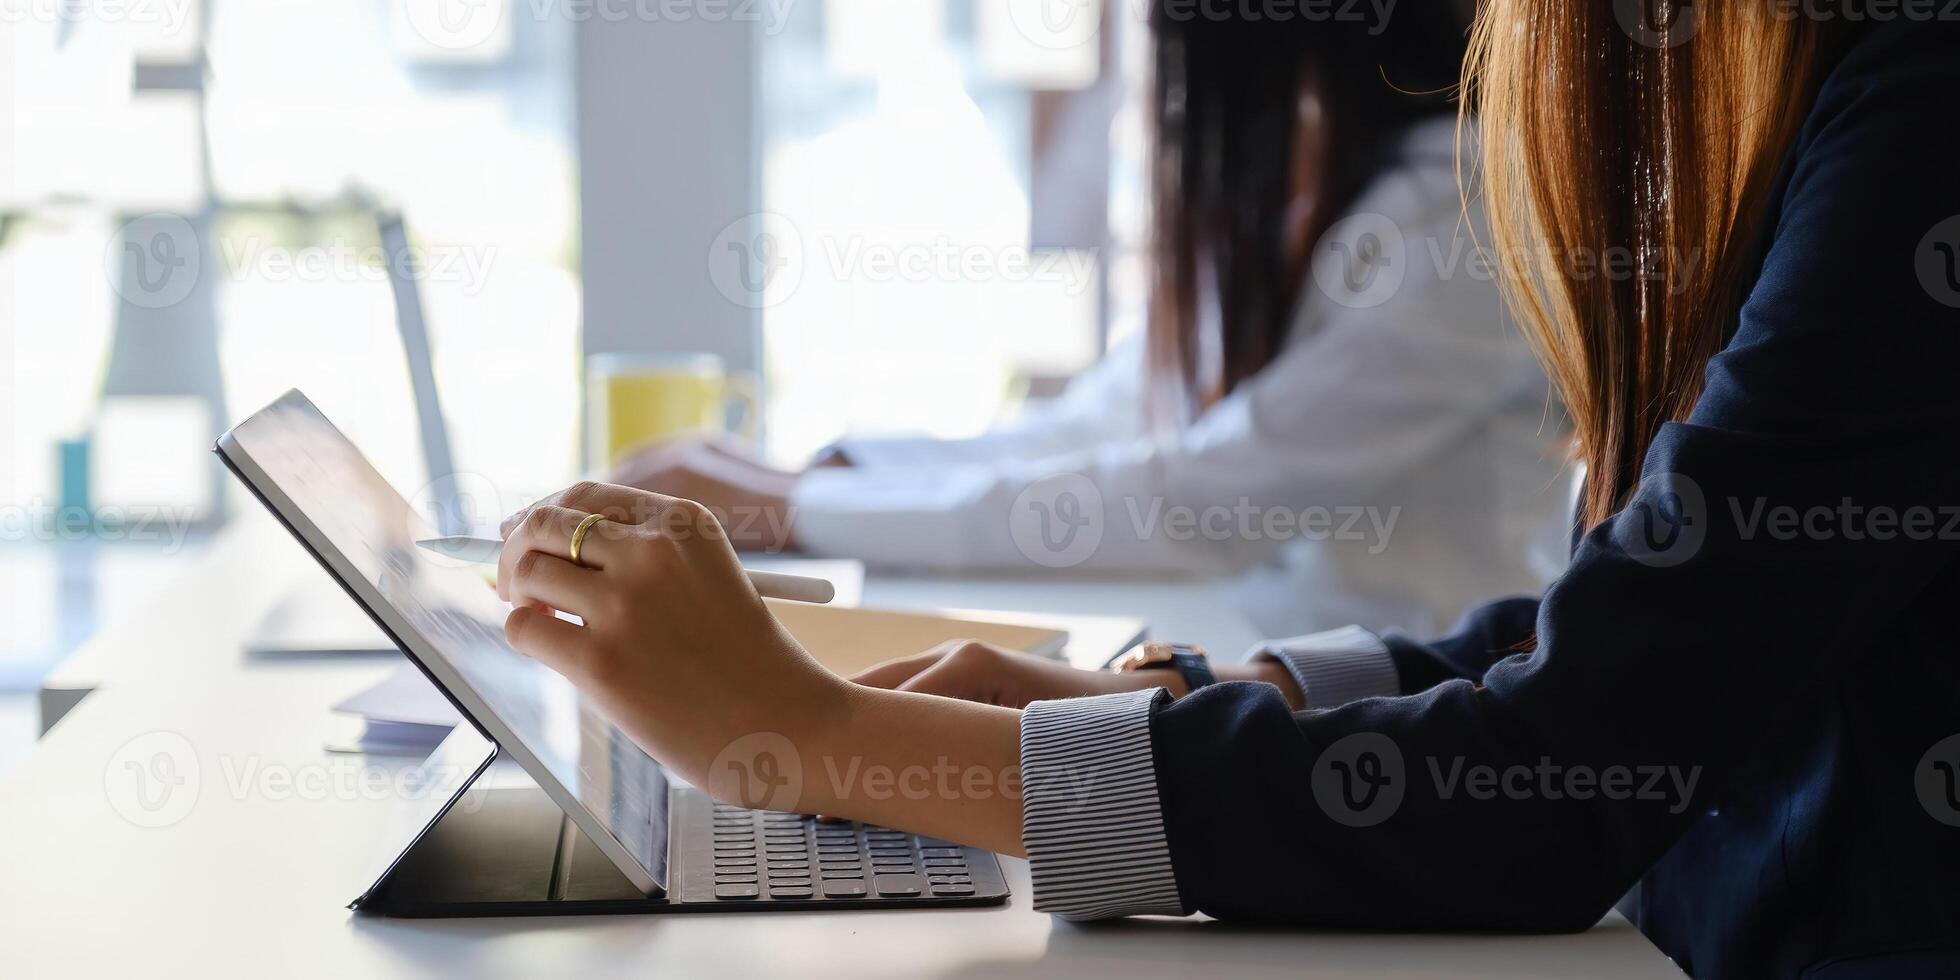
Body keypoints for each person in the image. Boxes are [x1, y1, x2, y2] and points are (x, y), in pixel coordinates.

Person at [497, 10, 1960, 980]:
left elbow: (1554, 780)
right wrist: (1177, 692)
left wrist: (823, 733)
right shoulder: (1807, 91)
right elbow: (1637, 636)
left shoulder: (1908, 106)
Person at [610, 1, 1572, 639]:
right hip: (1276, 658)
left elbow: (1205, 501)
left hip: (1417, 713)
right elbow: (1118, 419)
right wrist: (816, 478)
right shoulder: (1333, 179)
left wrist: (800, 511)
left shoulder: (1469, 210)